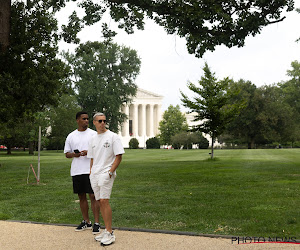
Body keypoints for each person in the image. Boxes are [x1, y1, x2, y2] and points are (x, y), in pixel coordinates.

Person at [87, 112, 125, 246]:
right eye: (100, 121)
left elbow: (119, 156)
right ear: (94, 122)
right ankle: (105, 230)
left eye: (104, 121)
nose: (103, 123)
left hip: (106, 173)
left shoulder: (113, 136)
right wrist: (91, 172)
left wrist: (110, 172)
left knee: (104, 200)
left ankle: (109, 232)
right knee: (99, 201)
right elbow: (92, 158)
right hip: (95, 174)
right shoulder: (92, 139)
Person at [64, 111, 100, 234]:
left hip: (91, 170)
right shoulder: (71, 136)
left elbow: (100, 151)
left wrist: (88, 152)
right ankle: (86, 221)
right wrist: (75, 154)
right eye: (84, 119)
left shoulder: (94, 134)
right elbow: (67, 154)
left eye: (87, 119)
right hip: (77, 170)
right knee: (81, 196)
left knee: (93, 196)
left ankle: (96, 223)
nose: (86, 121)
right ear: (77, 120)